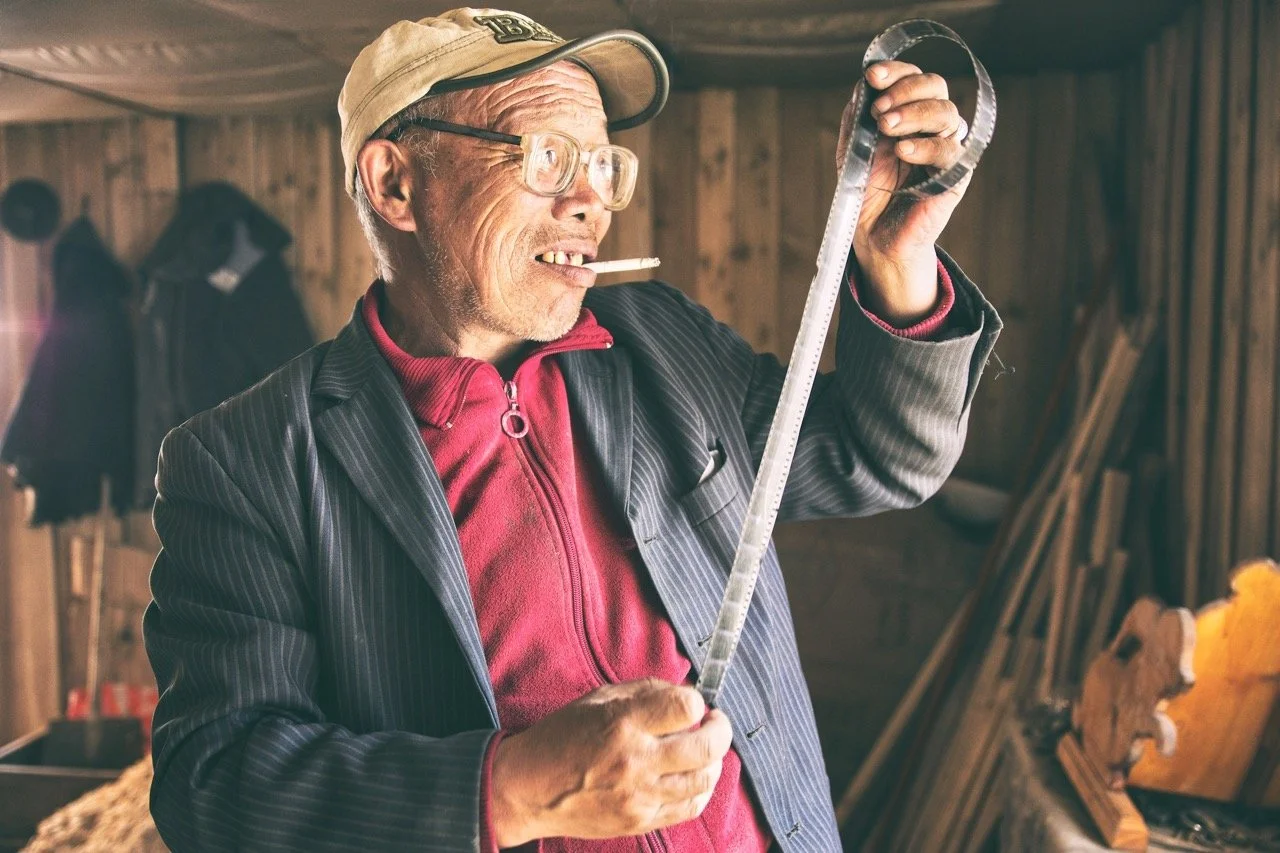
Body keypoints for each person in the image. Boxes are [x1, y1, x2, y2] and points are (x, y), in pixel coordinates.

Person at [144, 8, 1001, 852]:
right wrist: (511, 789)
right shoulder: (248, 460)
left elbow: (882, 457)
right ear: (395, 183)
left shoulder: (660, 343)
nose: (593, 199)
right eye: (547, 157)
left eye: (602, 163)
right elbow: (213, 781)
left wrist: (898, 260)